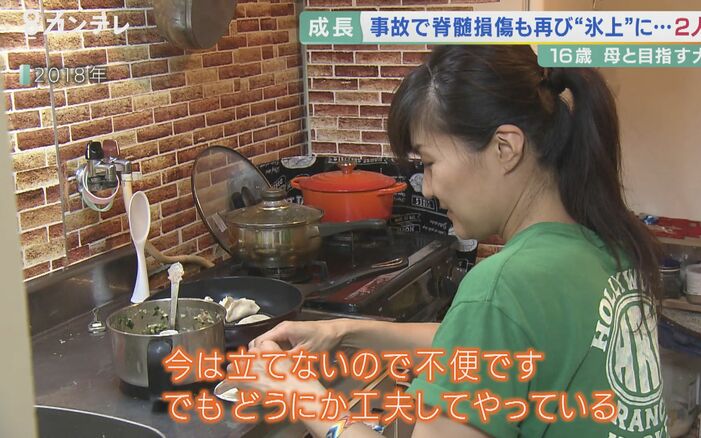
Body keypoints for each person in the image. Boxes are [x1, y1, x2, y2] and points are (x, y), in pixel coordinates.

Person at [231, 45, 668, 437]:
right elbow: (491, 341)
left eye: (429, 162)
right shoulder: (609, 244)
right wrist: (346, 331)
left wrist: (301, 394)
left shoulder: (503, 285)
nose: (426, 187)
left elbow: (491, 324)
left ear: (505, 148)